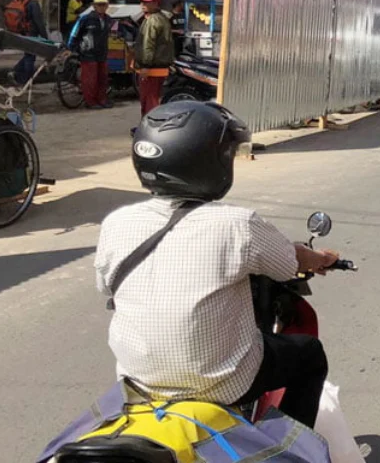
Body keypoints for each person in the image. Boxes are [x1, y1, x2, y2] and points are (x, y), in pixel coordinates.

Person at [95, 101, 340, 428]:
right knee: (309, 356)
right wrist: (321, 259)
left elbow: (106, 286)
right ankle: (288, 449)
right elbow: (288, 263)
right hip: (225, 386)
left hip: (140, 384)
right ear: (213, 163)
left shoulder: (117, 223)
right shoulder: (238, 224)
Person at [68, 0, 114, 109]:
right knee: (90, 79)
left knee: (102, 78)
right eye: (99, 5)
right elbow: (74, 33)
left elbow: (115, 31)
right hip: (88, 53)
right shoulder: (85, 18)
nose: (102, 7)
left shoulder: (108, 19)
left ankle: (102, 100)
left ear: (107, 6)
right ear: (94, 6)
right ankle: (90, 102)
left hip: (102, 53)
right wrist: (71, 48)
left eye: (104, 5)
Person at [135, 0, 174, 117]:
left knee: (149, 100)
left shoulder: (153, 20)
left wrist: (145, 66)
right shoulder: (162, 18)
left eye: (146, 2)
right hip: (159, 67)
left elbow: (148, 44)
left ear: (155, 3)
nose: (142, 4)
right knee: (152, 99)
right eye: (141, 1)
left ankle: (149, 127)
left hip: (152, 68)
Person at [9, 0, 49, 86]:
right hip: (31, 33)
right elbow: (38, 21)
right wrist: (45, 37)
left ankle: (15, 72)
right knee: (30, 56)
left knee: (29, 54)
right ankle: (24, 80)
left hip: (21, 31)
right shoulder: (33, 2)